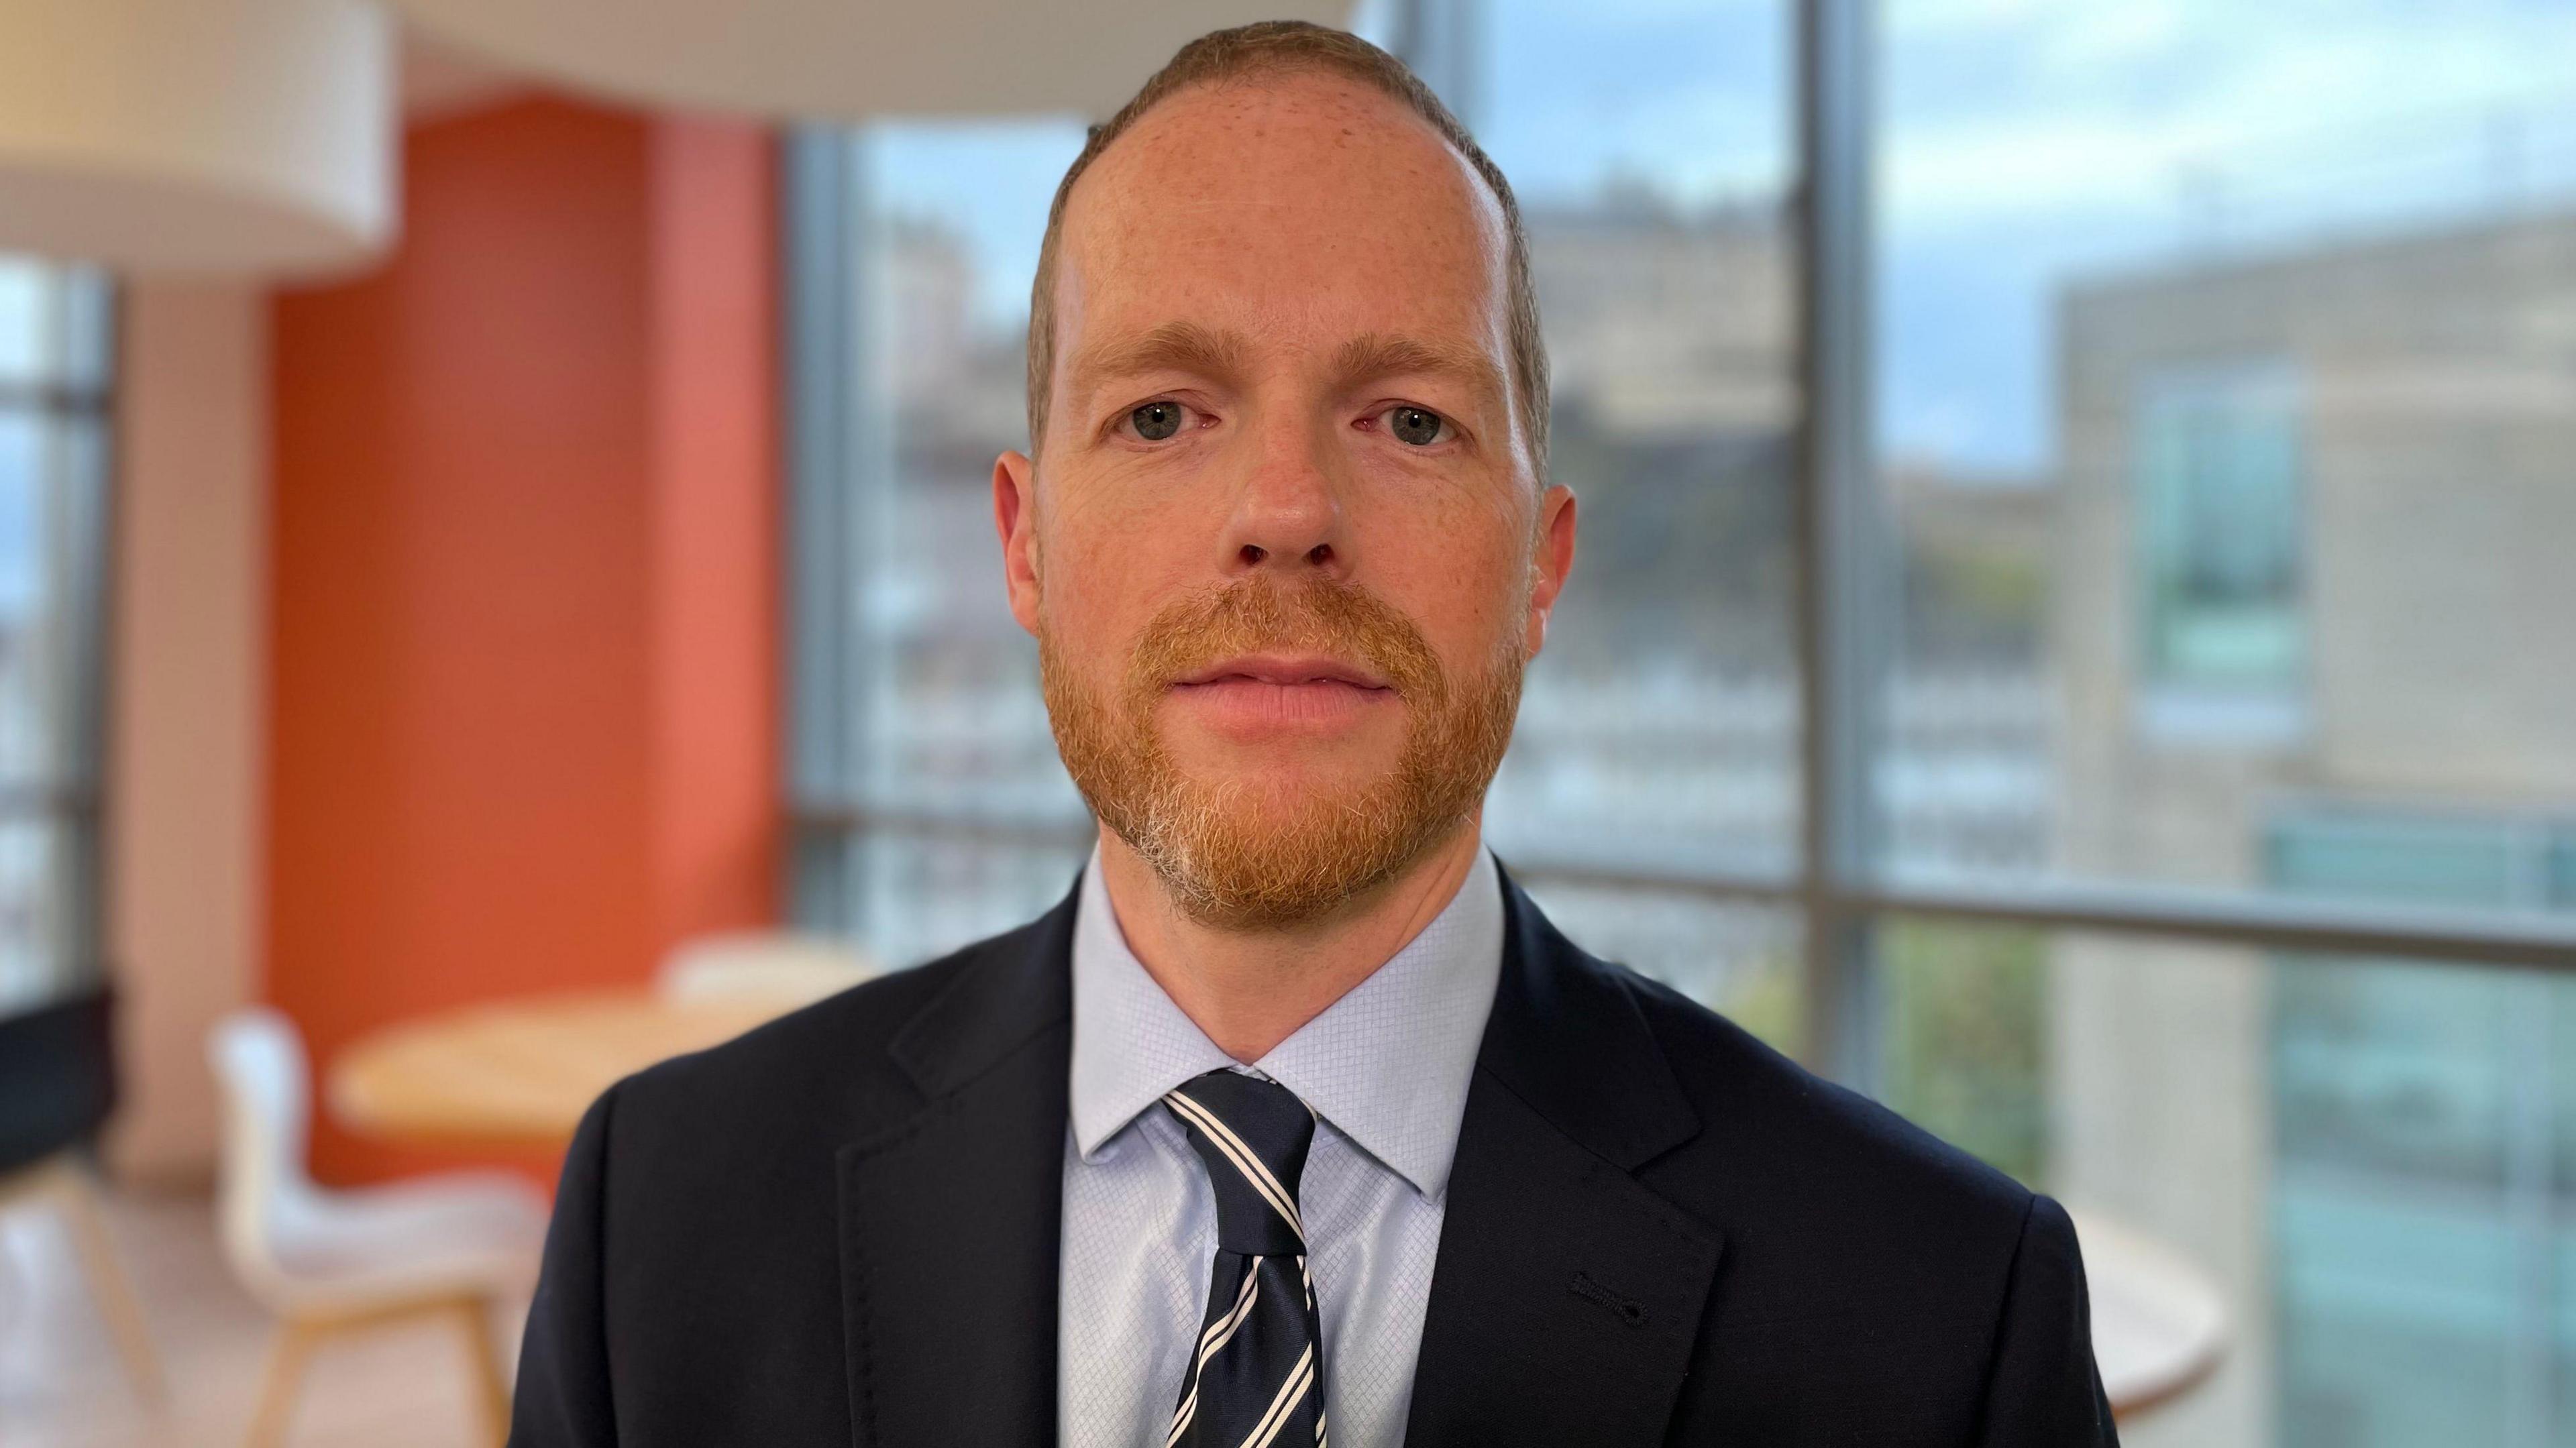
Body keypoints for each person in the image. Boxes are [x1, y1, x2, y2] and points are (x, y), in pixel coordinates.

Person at [508, 21, 2117, 1448]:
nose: (1285, 513)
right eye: (1161, 415)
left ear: (1540, 563)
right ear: (1023, 545)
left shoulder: (1938, 1320)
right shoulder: (659, 1225)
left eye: (1409, 421)